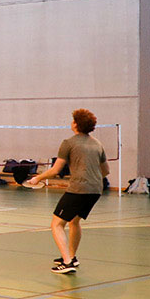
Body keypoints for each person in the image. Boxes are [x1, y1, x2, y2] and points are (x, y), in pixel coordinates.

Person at [24, 108, 109, 273]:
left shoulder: (68, 143)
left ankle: (67, 262)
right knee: (74, 221)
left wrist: (38, 178)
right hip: (96, 190)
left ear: (76, 124)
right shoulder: (98, 144)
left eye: (73, 120)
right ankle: (72, 257)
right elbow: (105, 171)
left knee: (56, 224)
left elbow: (56, 170)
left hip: (78, 189)